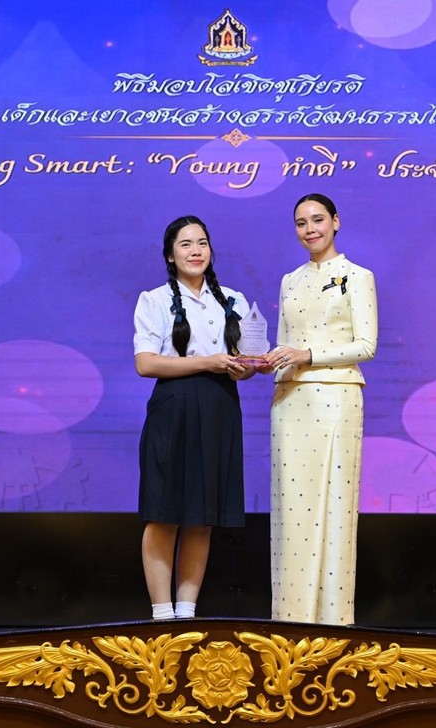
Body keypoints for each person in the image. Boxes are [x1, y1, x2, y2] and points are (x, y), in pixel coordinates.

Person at [262, 193, 378, 625]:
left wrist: (308, 355)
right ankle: (289, 620)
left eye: (317, 220)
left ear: (335, 222)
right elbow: (283, 344)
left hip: (336, 398)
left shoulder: (358, 276)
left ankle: (332, 622)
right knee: (291, 511)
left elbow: (366, 345)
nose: (310, 229)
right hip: (289, 401)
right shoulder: (289, 280)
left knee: (333, 506)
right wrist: (266, 361)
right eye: (301, 222)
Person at [133, 215, 255, 621]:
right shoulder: (153, 300)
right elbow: (145, 364)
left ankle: (186, 614)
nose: (195, 251)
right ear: (170, 255)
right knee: (164, 513)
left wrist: (248, 367)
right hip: (174, 407)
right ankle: (161, 615)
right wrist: (207, 362)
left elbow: (244, 363)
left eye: (202, 242)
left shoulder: (232, 300)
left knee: (203, 517)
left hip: (220, 406)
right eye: (185, 244)